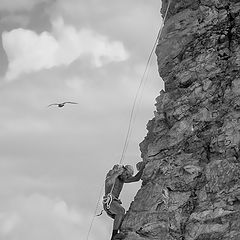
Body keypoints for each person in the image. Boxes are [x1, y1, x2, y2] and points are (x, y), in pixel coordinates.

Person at [103, 162, 146, 240]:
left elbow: (136, 178)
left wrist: (143, 167)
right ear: (123, 170)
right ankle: (114, 236)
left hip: (115, 202)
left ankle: (120, 235)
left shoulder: (123, 179)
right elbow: (108, 182)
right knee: (121, 211)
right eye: (126, 174)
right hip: (109, 202)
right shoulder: (113, 173)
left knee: (125, 219)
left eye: (128, 176)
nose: (126, 177)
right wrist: (117, 173)